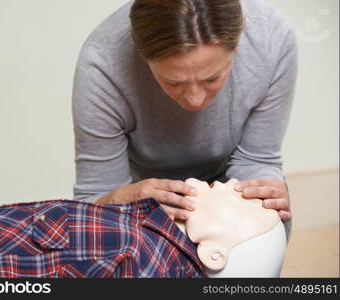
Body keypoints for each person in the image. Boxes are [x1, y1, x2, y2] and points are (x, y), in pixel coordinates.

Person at [72, 0, 297, 239]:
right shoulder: (102, 65)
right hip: (144, 191)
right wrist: (121, 200)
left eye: (212, 78)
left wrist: (264, 194)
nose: (195, 101)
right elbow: (94, 200)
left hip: (233, 185)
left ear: (238, 47)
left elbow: (256, 159)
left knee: (268, 229)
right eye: (173, 82)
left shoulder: (272, 37)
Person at [0, 198, 204, 278]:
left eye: (242, 199)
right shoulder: (145, 227)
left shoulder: (148, 263)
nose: (229, 182)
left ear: (217, 251)